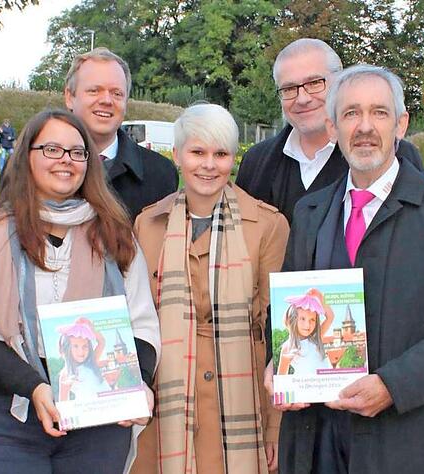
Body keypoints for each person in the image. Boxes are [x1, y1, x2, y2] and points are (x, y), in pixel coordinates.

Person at [272, 64, 424, 473]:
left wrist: (393, 386)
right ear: (332, 126)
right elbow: (289, 310)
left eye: (379, 112)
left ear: (401, 124)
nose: (364, 126)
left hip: (405, 443)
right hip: (316, 441)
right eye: (351, 113)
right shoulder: (308, 213)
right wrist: (279, 362)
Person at [0, 108, 161, 474]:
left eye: (77, 152)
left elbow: (142, 325)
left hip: (96, 420)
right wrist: (36, 387)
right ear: (27, 156)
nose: (65, 161)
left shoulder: (114, 233)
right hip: (6, 418)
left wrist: (141, 382)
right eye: (52, 149)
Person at [131, 104, 289, 474]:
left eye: (220, 154)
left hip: (240, 400)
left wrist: (276, 426)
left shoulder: (268, 225)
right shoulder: (147, 224)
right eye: (197, 152)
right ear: (177, 155)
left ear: (233, 159)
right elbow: (135, 320)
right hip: (163, 404)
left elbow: (280, 334)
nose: (208, 165)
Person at [236, 38, 424, 223]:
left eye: (314, 83)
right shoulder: (256, 162)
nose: (302, 98)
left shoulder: (396, 155)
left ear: (340, 83)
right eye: (289, 88)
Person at [64, 47, 178, 220]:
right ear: (69, 97)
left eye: (116, 93)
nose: (106, 100)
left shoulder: (161, 174)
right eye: (94, 90)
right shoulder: (33, 166)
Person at [277, 289, 334, 375]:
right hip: (305, 387)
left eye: (312, 320)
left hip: (327, 385)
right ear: (293, 319)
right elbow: (281, 378)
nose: (307, 325)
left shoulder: (316, 338)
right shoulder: (288, 347)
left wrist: (320, 297)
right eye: (302, 319)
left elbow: (330, 317)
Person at [56, 318, 113, 401]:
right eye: (75, 346)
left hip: (110, 404)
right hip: (89, 409)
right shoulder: (66, 373)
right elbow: (64, 402)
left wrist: (90, 326)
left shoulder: (91, 362)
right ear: (67, 348)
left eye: (85, 346)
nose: (81, 351)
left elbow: (102, 341)